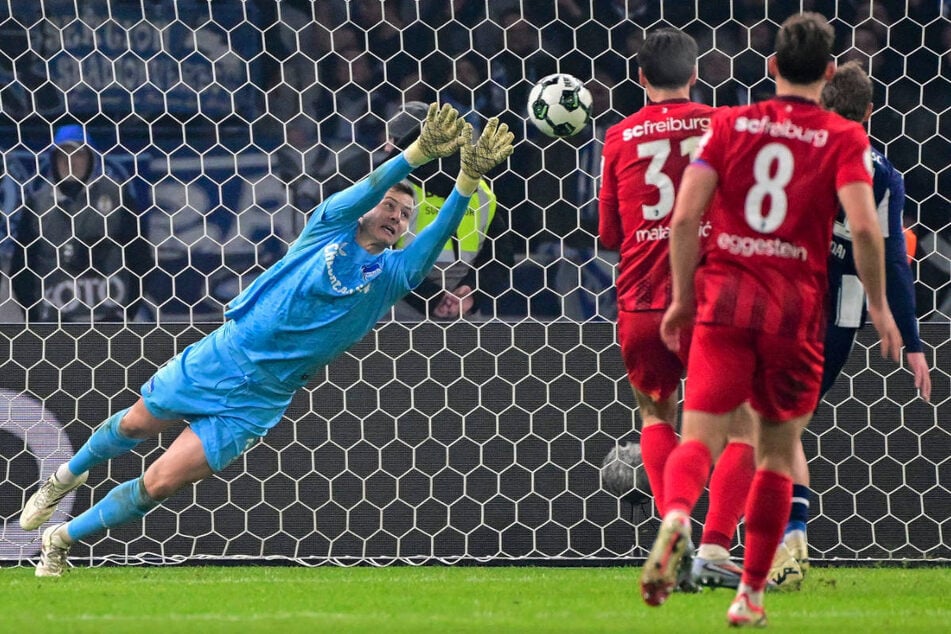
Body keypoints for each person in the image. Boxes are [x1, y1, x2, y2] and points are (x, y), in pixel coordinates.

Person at [18, 103, 514, 577]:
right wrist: (417, 154)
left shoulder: (390, 276)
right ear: (367, 210)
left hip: (262, 398)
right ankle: (65, 477)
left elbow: (433, 243)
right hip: (226, 353)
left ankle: (60, 540)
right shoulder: (328, 228)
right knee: (135, 425)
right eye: (390, 205)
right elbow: (367, 185)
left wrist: (468, 181)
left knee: (161, 482)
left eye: (406, 215)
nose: (396, 216)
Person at [641, 13, 901, 627]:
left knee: (699, 435)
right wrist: (881, 306)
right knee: (775, 455)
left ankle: (677, 515)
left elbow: (683, 217)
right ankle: (749, 596)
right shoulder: (845, 140)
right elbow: (865, 227)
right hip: (794, 314)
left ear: (771, 66)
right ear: (831, 71)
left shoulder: (730, 124)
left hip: (725, 303)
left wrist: (681, 298)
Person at [598, 27, 762, 591]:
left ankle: (676, 524)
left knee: (654, 415)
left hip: (642, 298)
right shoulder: (727, 128)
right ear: (696, 75)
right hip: (714, 299)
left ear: (640, 78)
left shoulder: (618, 137)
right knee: (745, 429)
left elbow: (610, 233)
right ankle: (715, 546)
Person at [779, 60, 933, 579]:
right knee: (786, 425)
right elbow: (893, 261)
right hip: (840, 319)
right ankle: (787, 540)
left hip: (784, 301)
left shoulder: (797, 149)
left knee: (768, 426)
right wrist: (912, 340)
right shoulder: (885, 174)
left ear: (823, 101)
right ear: (870, 111)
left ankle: (780, 540)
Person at [10, 124, 153, 322]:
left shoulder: (117, 197)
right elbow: (20, 270)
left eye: (78, 154)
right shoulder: (37, 204)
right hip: (55, 326)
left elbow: (141, 259)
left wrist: (126, 313)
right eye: (62, 155)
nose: (70, 162)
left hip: (109, 321)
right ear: (53, 160)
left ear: (91, 159)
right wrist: (36, 322)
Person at [382, 101, 510, 320]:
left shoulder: (388, 188)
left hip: (395, 314)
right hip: (461, 316)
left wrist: (433, 298)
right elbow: (501, 256)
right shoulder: (480, 189)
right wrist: (471, 293)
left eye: (391, 139)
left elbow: (373, 256)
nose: (385, 147)